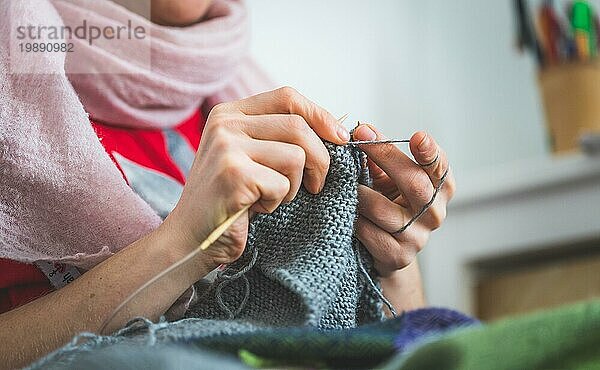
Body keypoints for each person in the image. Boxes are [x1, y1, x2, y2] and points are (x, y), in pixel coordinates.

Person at [0, 0, 455, 367]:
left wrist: (388, 261)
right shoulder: (13, 85)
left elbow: (405, 346)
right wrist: (182, 246)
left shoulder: (242, 86)